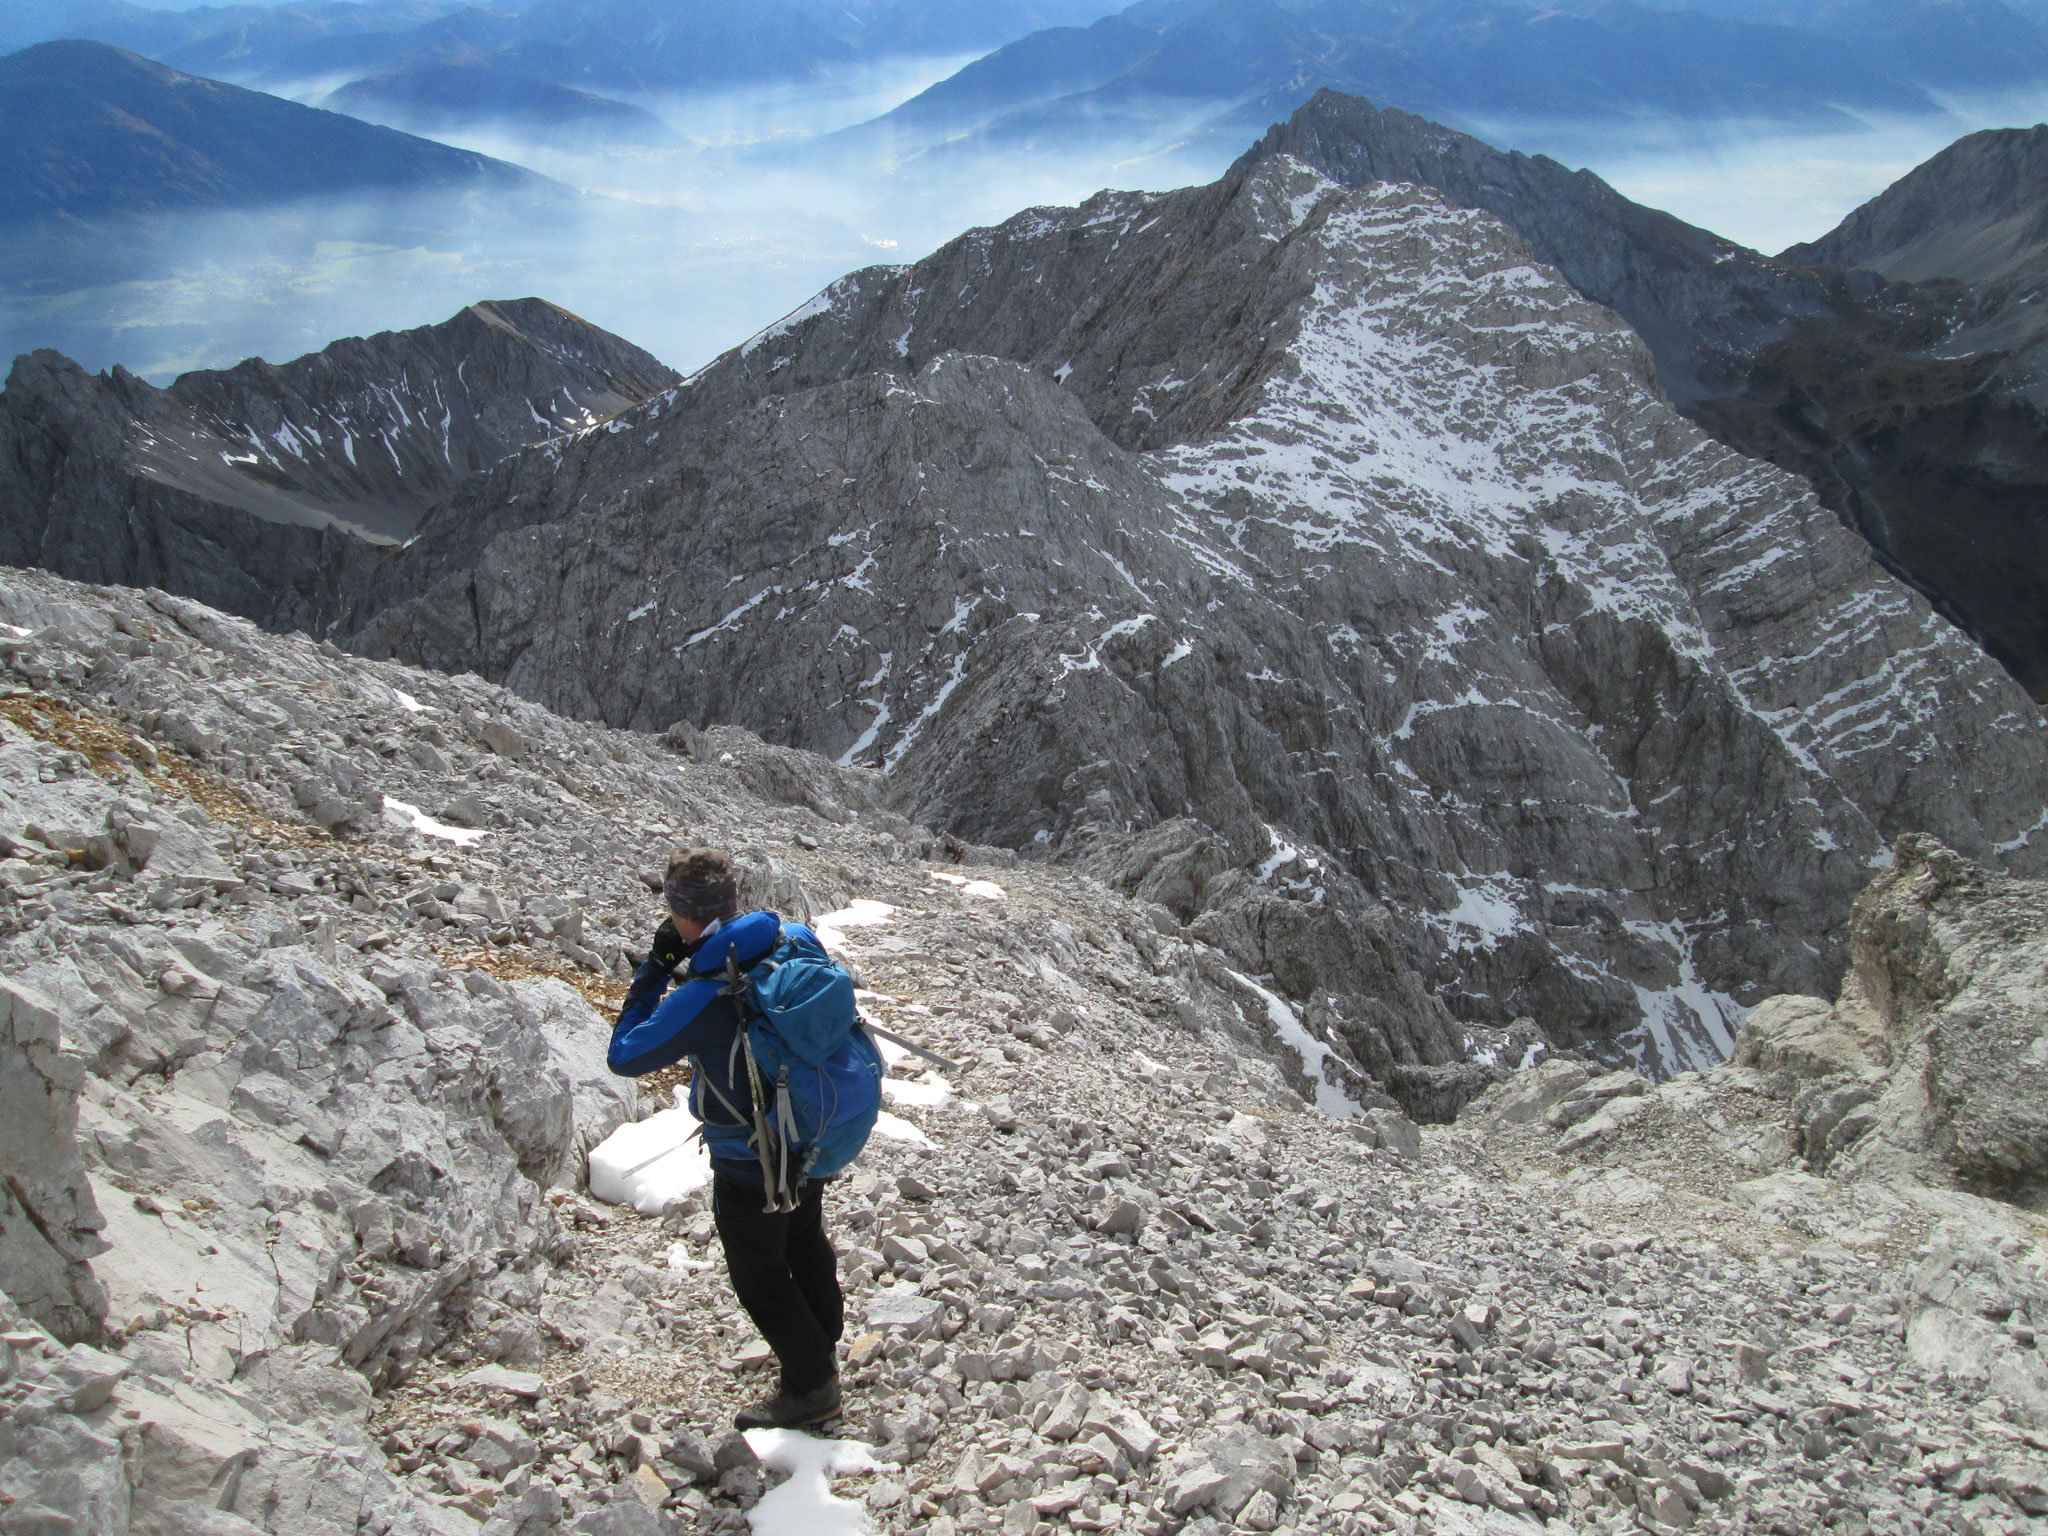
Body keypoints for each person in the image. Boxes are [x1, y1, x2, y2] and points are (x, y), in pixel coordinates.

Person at [607, 848, 847, 1431]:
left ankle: (811, 1386)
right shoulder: (789, 939)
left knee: (757, 1272)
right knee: (802, 1236)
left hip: (748, 1157)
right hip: (809, 1131)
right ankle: (819, 1341)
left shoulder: (707, 994)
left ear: (683, 915)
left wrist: (656, 970)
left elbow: (625, 1055)